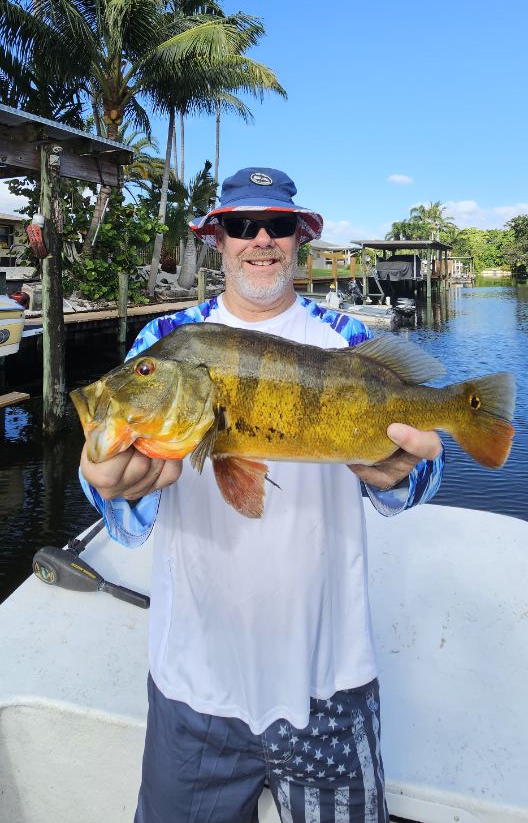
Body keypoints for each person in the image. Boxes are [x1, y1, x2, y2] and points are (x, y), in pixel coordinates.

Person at [80, 167, 443, 823]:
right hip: (195, 689)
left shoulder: (348, 340)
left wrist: (402, 473)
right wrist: (109, 486)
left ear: (299, 237)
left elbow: (416, 478)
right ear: (216, 238)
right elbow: (123, 507)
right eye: (242, 225)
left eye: (276, 225)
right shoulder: (164, 347)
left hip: (329, 681)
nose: (260, 239)